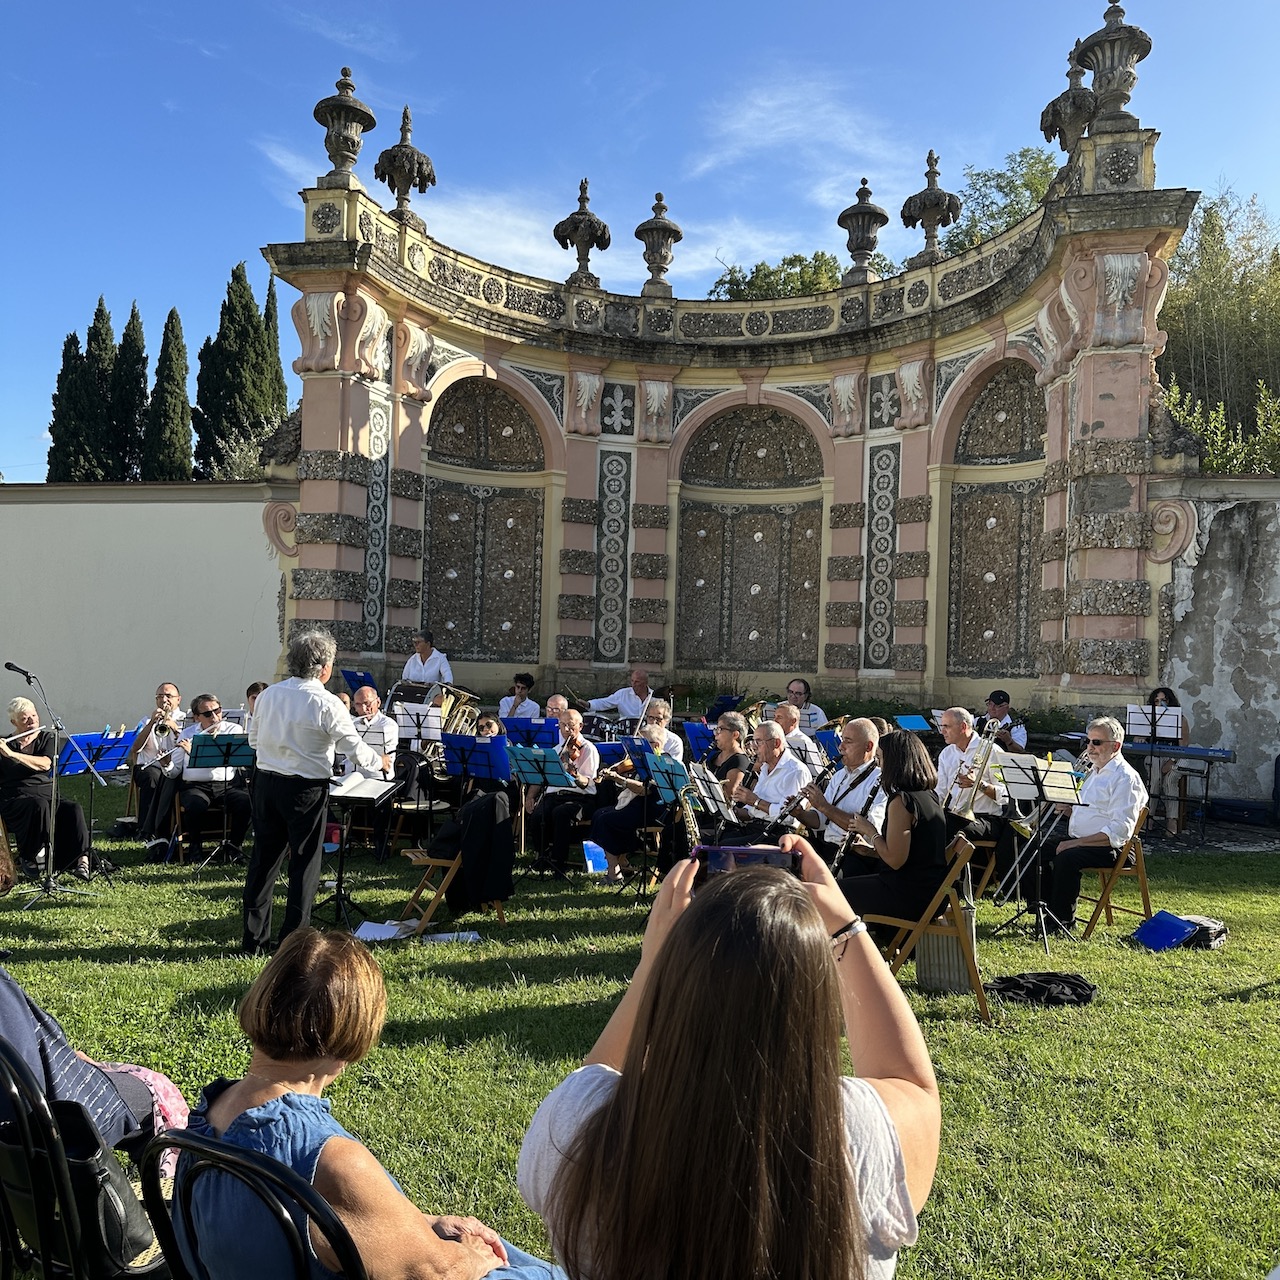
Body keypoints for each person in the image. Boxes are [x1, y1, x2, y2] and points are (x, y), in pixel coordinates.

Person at [517, 850, 940, 1280]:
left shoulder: (577, 1126)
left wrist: (650, 965)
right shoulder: (858, 1132)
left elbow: (596, 1077)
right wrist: (846, 928)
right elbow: (910, 1082)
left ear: (674, 980)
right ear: (815, 1001)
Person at [182, 929, 560, 1279]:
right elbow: (436, 1274)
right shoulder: (326, 1158)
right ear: (353, 1036)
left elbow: (314, 1221)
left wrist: (424, 1221)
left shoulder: (203, 1120)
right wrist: (473, 1256)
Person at [243, 632, 390, 956]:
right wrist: (379, 760)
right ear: (324, 668)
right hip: (304, 789)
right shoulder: (326, 702)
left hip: (266, 782)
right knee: (305, 865)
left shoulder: (268, 696)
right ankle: (292, 944)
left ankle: (252, 942)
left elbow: (254, 741)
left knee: (263, 862)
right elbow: (353, 748)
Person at [0, 965, 187, 1154]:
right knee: (152, 1091)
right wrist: (68, 1064)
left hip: (26, 1123)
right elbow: (27, 1073)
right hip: (41, 1129)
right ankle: (108, 1178)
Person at [1038, 716, 1147, 932]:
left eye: (1096, 743)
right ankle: (1043, 911)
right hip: (1083, 840)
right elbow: (1094, 812)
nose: (1090, 748)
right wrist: (1069, 811)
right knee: (1035, 851)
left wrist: (1072, 844)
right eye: (1088, 742)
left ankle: (1062, 922)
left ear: (1115, 746)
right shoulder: (1092, 772)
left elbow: (1119, 831)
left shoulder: (1125, 778)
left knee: (1066, 858)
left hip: (1112, 848)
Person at [838, 730, 949, 922]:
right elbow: (914, 853)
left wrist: (869, 831)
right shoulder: (929, 795)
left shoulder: (902, 801)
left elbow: (895, 860)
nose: (879, 764)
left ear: (895, 761)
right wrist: (871, 851)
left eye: (880, 758)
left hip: (910, 896)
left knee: (833, 893)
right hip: (928, 891)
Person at [0, 697, 92, 878]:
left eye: (34, 715)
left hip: (47, 793)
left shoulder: (47, 738)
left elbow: (45, 764)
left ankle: (82, 861)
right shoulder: (5, 743)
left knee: (73, 808)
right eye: (25, 719)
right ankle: (31, 857)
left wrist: (12, 754)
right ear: (14, 722)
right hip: (15, 799)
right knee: (39, 805)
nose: (32, 721)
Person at [163, 694, 253, 861]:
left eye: (217, 711)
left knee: (246, 802)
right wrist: (165, 764)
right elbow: (174, 772)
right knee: (196, 804)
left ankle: (235, 847)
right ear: (197, 718)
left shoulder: (233, 730)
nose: (214, 717)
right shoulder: (187, 735)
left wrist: (196, 752)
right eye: (207, 714)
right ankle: (195, 848)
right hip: (195, 786)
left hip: (226, 785)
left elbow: (234, 760)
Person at [800, 718, 888, 867]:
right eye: (842, 740)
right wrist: (798, 813)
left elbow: (868, 830)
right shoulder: (840, 775)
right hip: (827, 847)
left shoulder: (880, 781)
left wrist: (824, 806)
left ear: (868, 746)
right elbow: (819, 821)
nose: (840, 747)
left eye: (848, 741)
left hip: (853, 855)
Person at [588, 724, 667, 883]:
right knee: (599, 814)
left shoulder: (662, 761)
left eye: (641, 743)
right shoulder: (642, 761)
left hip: (654, 809)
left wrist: (620, 780)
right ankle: (622, 862)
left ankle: (614, 873)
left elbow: (646, 790)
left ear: (656, 745)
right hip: (638, 805)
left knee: (607, 820)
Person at [526, 709, 598, 877]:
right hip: (554, 794)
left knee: (561, 813)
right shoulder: (557, 749)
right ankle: (543, 856)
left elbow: (588, 782)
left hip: (579, 797)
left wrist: (575, 775)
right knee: (538, 815)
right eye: (563, 725)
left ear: (580, 726)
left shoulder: (588, 749)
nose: (566, 729)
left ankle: (560, 863)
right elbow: (541, 776)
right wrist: (530, 796)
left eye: (571, 725)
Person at [726, 720, 811, 844]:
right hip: (756, 828)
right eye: (753, 741)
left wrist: (755, 801)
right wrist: (729, 810)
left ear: (776, 743)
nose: (754, 747)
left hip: (778, 833)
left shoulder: (796, 771)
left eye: (759, 742)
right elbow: (750, 812)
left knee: (723, 847)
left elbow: (787, 816)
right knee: (712, 840)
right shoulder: (765, 768)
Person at [934, 707, 1007, 844]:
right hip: (955, 814)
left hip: (986, 818)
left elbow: (1005, 797)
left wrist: (979, 785)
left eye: (946, 726)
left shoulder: (992, 751)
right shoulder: (946, 754)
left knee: (947, 828)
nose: (942, 731)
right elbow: (940, 792)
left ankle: (944, 865)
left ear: (963, 727)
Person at [126, 681, 184, 854]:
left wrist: (174, 729)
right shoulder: (146, 720)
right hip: (148, 765)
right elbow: (135, 749)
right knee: (153, 778)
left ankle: (165, 826)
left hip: (175, 766)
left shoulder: (185, 720)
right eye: (159, 696)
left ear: (178, 699)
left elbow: (187, 744)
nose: (164, 700)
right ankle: (146, 828)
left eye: (168, 696)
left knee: (169, 779)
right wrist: (152, 723)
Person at [345, 685, 401, 861]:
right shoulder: (351, 724)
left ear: (378, 702)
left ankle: (380, 845)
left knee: (382, 807)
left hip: (379, 777)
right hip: (355, 774)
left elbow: (381, 754)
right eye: (358, 705)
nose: (363, 709)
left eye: (368, 704)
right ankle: (346, 841)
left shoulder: (388, 725)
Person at [1134, 687, 1189, 837]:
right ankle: (1148, 818)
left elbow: (1184, 746)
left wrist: (1171, 761)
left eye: (1163, 700)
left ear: (1170, 701)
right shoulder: (1148, 719)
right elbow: (1138, 738)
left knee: (1170, 780)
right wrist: (1139, 739)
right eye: (1156, 701)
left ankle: (1172, 820)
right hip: (1156, 754)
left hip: (1177, 755)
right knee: (1155, 778)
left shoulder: (1181, 719)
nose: (1159, 704)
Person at [773, 701, 825, 779]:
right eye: (775, 717)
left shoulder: (803, 741)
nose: (775, 721)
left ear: (793, 721)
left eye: (779, 717)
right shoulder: (776, 738)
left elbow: (814, 772)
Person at [585, 669, 652, 725]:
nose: (633, 684)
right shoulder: (623, 694)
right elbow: (605, 702)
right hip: (626, 732)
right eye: (632, 681)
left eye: (637, 682)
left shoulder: (655, 697)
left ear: (645, 683)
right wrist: (588, 704)